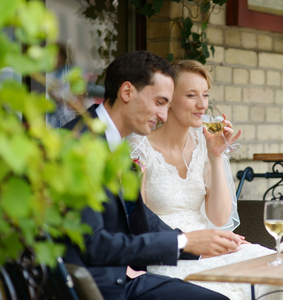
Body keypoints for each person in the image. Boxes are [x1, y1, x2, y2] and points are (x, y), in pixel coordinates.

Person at [62, 51, 242, 300]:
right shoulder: (79, 145)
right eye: (159, 102)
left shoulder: (111, 141)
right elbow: (93, 243)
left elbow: (139, 214)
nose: (164, 115)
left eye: (167, 105)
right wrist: (181, 244)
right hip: (95, 288)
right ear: (127, 92)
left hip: (119, 278)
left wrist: (193, 243)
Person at [127, 60, 283, 300]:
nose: (202, 104)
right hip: (171, 254)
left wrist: (216, 156)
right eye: (191, 95)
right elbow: (136, 222)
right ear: (168, 100)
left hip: (214, 245)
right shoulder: (138, 147)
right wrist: (196, 248)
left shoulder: (204, 142)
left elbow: (219, 218)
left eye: (205, 95)